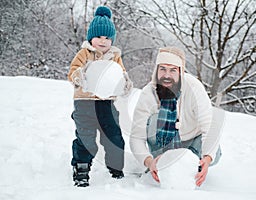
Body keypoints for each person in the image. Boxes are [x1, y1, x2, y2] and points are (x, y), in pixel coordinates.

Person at [130, 46, 222, 187]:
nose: (167, 75)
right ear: (156, 71)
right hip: (162, 146)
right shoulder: (148, 94)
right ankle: (160, 163)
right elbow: (136, 137)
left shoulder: (194, 88)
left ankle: (192, 164)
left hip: (192, 141)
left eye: (173, 70)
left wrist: (208, 158)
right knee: (154, 119)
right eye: (163, 69)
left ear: (180, 72)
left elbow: (209, 126)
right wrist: (149, 162)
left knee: (214, 154)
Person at [68, 6, 132, 187]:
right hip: (84, 102)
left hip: (107, 103)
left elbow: (121, 73)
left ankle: (116, 166)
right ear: (91, 38)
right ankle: (81, 167)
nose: (103, 41)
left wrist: (124, 83)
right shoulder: (84, 53)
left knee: (113, 134)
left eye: (107, 38)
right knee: (85, 136)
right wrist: (79, 76)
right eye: (99, 37)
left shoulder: (115, 56)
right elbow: (72, 71)